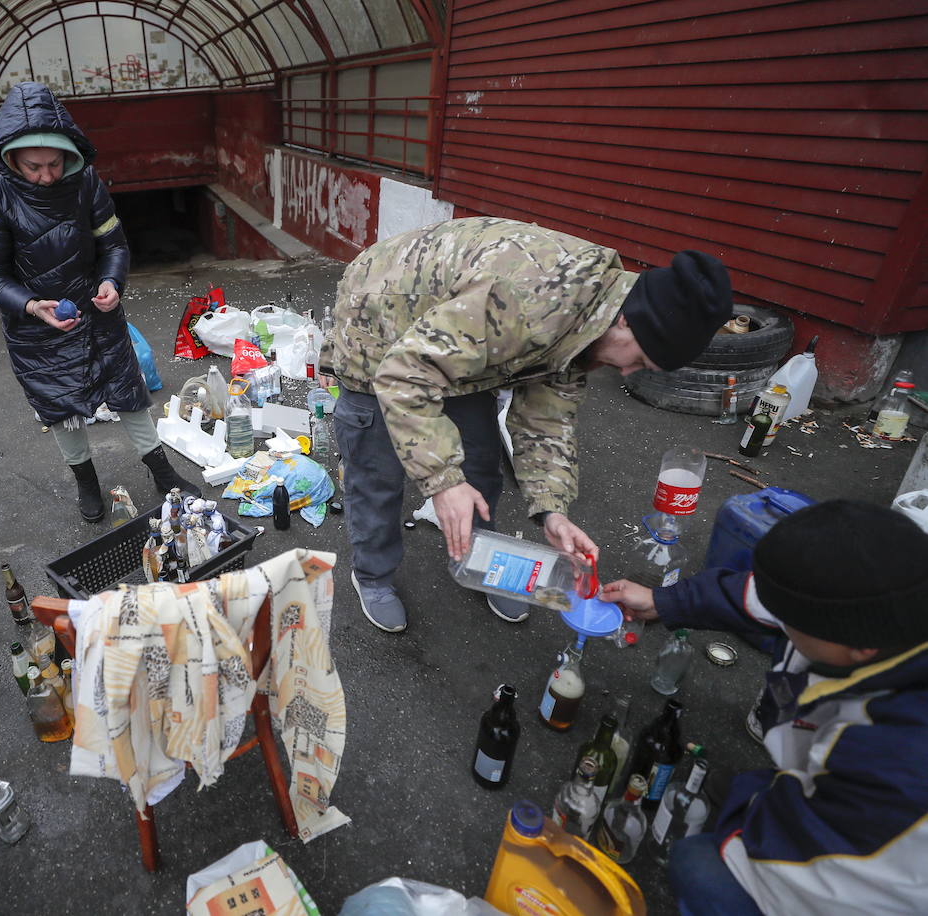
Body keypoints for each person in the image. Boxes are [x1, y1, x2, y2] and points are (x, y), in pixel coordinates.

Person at [323, 216, 731, 632]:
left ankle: (476, 559)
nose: (627, 373)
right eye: (640, 360)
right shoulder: (525, 303)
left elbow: (545, 421)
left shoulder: (592, 314)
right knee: (378, 471)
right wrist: (443, 481)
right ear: (628, 320)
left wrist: (553, 511)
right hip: (379, 321)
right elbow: (403, 373)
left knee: (479, 466)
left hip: (458, 332)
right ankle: (372, 575)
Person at [602, 500, 928, 916]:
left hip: (866, 882)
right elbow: (760, 597)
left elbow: (807, 876)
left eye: (791, 622)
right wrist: (663, 601)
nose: (778, 621)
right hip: (835, 786)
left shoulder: (898, 762)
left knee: (697, 864)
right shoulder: (872, 603)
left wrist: (744, 809)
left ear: (861, 646)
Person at [0, 81, 195, 523]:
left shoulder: (85, 179)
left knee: (128, 390)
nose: (48, 175)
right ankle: (86, 483)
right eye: (35, 166)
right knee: (59, 405)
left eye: (55, 163)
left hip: (97, 309)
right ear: (10, 155)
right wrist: (33, 306)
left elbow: (113, 243)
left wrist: (112, 282)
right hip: (36, 322)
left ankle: (162, 472)